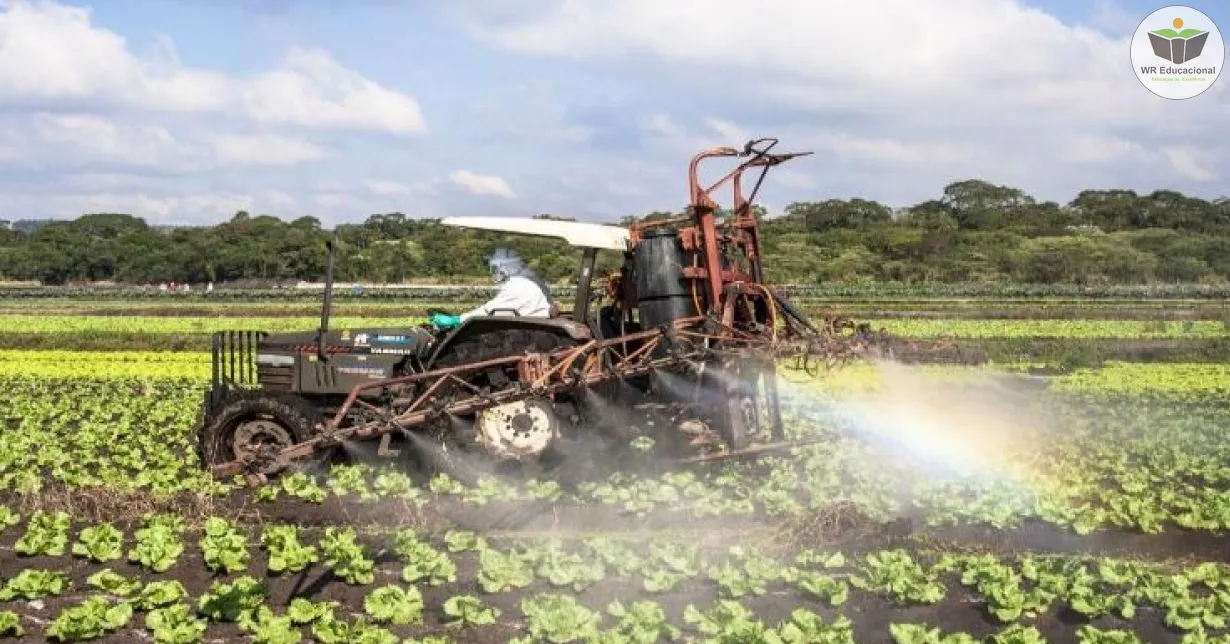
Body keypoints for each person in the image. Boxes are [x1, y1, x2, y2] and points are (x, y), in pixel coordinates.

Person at [429, 248, 552, 330]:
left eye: (495, 268)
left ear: (504, 267)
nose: (494, 272)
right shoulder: (530, 277)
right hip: (532, 324)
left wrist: (456, 320)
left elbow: (488, 311)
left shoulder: (518, 285)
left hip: (525, 329)